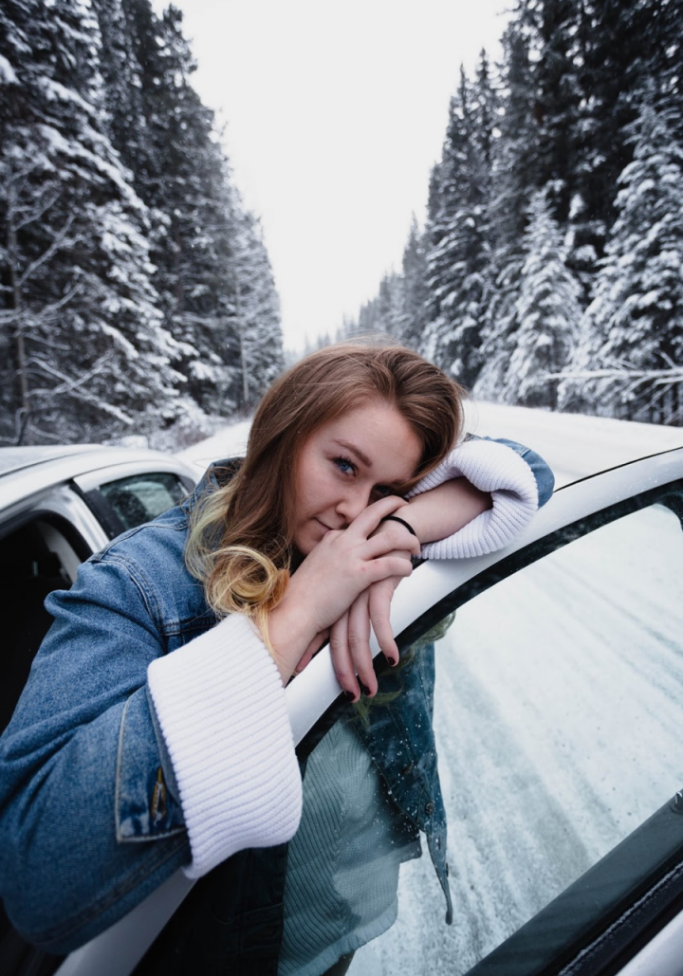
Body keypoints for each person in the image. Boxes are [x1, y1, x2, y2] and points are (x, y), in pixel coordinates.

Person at [0, 343, 554, 972]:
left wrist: (404, 527)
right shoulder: (139, 582)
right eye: (344, 466)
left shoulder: (374, 535)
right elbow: (38, 871)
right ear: (282, 435)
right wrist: (292, 618)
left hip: (341, 911)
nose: (356, 513)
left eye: (389, 490)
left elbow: (526, 469)